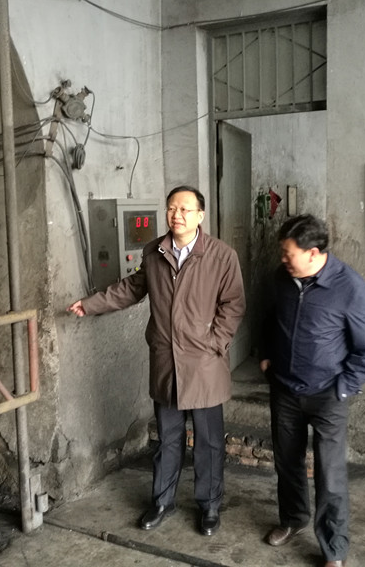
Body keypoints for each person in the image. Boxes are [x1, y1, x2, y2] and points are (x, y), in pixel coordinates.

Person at [68, 185, 245, 536]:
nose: (177, 215)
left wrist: (215, 343)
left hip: (204, 365)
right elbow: (131, 289)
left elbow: (234, 304)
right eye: (171, 208)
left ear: (200, 215)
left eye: (185, 209)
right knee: (167, 439)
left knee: (209, 442)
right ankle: (163, 501)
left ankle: (209, 506)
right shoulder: (154, 252)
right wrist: (90, 305)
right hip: (167, 363)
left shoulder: (221, 256)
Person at [259, 214, 365, 567]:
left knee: (330, 475)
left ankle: (333, 550)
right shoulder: (282, 278)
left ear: (313, 253)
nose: (283, 258)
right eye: (282, 252)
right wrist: (266, 355)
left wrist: (344, 388)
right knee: (287, 463)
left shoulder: (349, 288)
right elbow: (270, 318)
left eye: (289, 253)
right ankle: (293, 519)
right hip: (285, 390)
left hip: (328, 395)